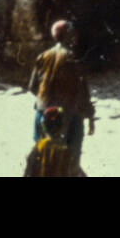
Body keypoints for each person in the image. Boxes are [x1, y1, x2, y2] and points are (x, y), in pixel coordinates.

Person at [27, 19, 95, 163]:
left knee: (41, 155)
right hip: (68, 113)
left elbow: (33, 87)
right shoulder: (74, 58)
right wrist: (90, 116)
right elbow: (83, 92)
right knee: (72, 157)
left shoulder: (43, 56)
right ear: (68, 36)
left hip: (43, 111)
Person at [24, 106, 80, 177]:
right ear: (62, 127)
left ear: (44, 127)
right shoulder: (65, 150)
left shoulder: (39, 147)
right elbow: (74, 171)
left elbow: (29, 168)